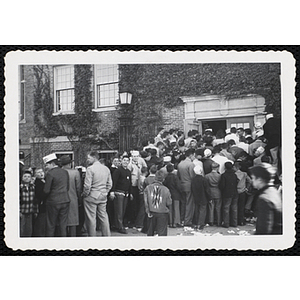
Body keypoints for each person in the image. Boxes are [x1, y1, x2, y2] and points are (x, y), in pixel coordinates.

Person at [82, 151, 112, 237]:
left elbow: (87, 185)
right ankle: (107, 235)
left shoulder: (90, 169)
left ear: (94, 158)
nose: (87, 160)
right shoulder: (106, 168)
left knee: (91, 218)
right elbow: (110, 184)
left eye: (89, 158)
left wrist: (85, 194)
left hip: (92, 195)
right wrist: (105, 192)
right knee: (103, 216)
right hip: (103, 195)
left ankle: (92, 237)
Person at [250, 163, 282, 234]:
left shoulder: (264, 198)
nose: (252, 180)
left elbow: (263, 231)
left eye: (253, 178)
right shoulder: (275, 192)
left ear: (260, 180)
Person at [43, 153, 70, 237]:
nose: (45, 167)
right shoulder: (65, 172)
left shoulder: (50, 174)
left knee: (51, 225)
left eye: (47, 164)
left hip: (53, 202)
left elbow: (46, 191)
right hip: (65, 200)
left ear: (52, 164)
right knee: (63, 225)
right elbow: (67, 187)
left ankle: (50, 244)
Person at [144, 170, 172, 236]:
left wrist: (148, 211)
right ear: (163, 179)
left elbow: (146, 201)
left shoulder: (148, 188)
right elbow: (169, 202)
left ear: (155, 178)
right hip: (162, 213)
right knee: (162, 234)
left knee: (150, 233)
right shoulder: (166, 189)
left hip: (151, 212)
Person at [60, 155, 82, 237]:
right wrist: (80, 200)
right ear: (70, 164)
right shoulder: (75, 172)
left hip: (61, 199)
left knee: (62, 221)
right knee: (73, 222)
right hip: (73, 198)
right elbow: (78, 188)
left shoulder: (59, 172)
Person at [110, 155, 132, 234]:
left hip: (126, 193)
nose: (126, 162)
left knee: (123, 211)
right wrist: (112, 191)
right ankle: (120, 226)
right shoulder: (118, 171)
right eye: (124, 160)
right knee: (119, 211)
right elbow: (114, 181)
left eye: (127, 161)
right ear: (121, 161)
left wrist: (130, 193)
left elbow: (130, 183)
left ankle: (117, 225)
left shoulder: (128, 171)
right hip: (119, 193)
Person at [177, 148, 196, 226]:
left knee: (183, 203)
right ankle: (187, 221)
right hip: (189, 185)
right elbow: (192, 176)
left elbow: (178, 175)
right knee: (189, 203)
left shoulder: (180, 164)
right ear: (191, 155)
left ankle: (181, 219)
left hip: (182, 184)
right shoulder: (191, 164)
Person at [191, 165, 211, 230]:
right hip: (203, 197)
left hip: (196, 197)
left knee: (196, 210)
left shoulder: (193, 180)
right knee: (202, 211)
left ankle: (196, 223)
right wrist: (210, 198)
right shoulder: (204, 179)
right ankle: (201, 223)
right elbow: (207, 190)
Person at [219, 161, 238, 228]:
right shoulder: (235, 175)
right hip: (235, 193)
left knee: (226, 208)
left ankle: (226, 223)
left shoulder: (224, 175)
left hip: (227, 193)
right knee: (234, 208)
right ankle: (234, 223)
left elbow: (222, 186)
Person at [163, 164, 182, 228]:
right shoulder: (175, 177)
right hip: (176, 194)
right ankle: (176, 222)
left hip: (169, 194)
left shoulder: (166, 177)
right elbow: (178, 186)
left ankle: (170, 222)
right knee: (176, 208)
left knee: (170, 209)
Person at [20, 170, 38, 237]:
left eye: (28, 177)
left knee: (29, 229)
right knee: (22, 229)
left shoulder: (33, 187)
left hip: (30, 211)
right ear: (22, 178)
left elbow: (35, 200)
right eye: (25, 176)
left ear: (31, 178)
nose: (27, 178)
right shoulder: (20, 188)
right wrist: (18, 211)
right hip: (22, 211)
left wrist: (36, 211)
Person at [234, 161, 251, 226]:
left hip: (235, 191)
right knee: (241, 207)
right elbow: (250, 181)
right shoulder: (244, 174)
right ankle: (241, 221)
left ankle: (234, 221)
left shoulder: (234, 174)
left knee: (234, 207)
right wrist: (247, 188)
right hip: (242, 191)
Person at [205, 162, 222, 226]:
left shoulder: (207, 176)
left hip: (210, 192)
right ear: (217, 168)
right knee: (218, 207)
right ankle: (218, 221)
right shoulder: (219, 176)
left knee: (211, 207)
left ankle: (211, 221)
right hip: (218, 192)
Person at [33, 168, 47, 237]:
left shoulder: (44, 181)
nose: (41, 173)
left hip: (44, 204)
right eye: (38, 172)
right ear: (35, 175)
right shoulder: (38, 183)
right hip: (41, 205)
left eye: (42, 171)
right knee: (41, 222)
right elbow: (40, 194)